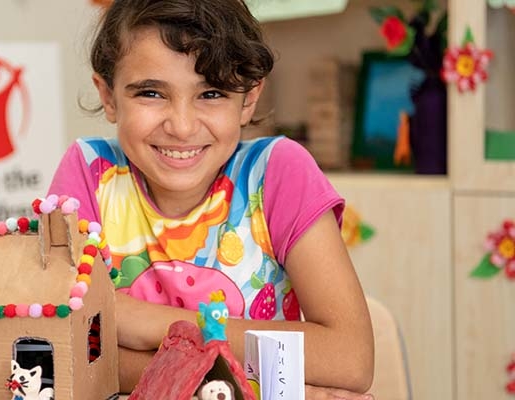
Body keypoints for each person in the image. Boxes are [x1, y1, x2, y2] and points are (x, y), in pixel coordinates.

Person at [47, 0, 374, 398]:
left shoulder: (277, 173)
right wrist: (234, 378)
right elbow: (59, 353)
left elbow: (350, 358)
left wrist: (154, 324)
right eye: (151, 93)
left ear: (249, 99)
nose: (182, 127)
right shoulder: (89, 172)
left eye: (212, 93)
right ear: (109, 96)